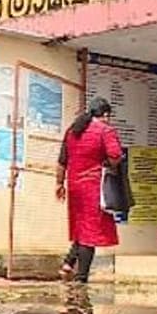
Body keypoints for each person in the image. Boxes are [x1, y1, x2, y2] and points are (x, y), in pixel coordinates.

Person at [56, 98, 123, 283]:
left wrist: (59, 184)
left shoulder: (72, 131)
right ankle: (81, 279)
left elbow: (62, 161)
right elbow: (115, 156)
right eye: (108, 115)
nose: (108, 118)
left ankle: (68, 263)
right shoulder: (105, 130)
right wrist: (108, 163)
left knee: (81, 228)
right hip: (94, 188)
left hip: (74, 187)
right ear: (105, 114)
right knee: (89, 234)